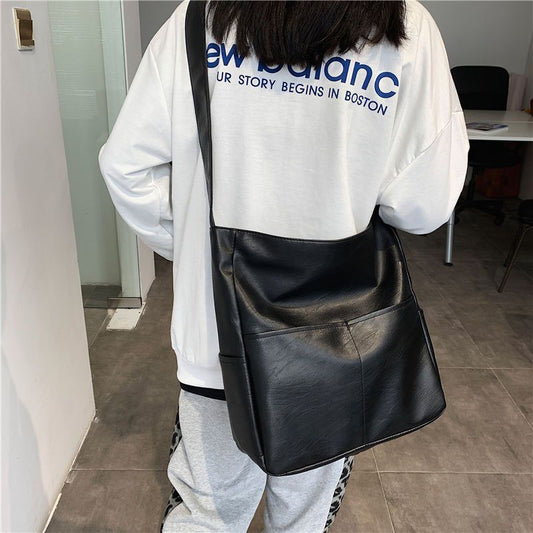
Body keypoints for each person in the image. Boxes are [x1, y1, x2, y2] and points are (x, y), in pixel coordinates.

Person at [98, 1, 469, 531]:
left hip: (218, 336)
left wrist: (200, 252)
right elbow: (425, 204)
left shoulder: (199, 14)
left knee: (207, 514)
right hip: (334, 337)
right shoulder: (406, 25)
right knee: (303, 517)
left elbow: (126, 166)